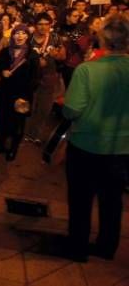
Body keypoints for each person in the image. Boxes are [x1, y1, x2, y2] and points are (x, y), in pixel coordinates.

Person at [62, 15, 129, 262]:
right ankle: (107, 246)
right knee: (112, 201)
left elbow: (71, 110)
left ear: (102, 39)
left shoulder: (87, 70)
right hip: (122, 148)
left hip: (86, 145)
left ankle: (78, 246)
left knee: (81, 200)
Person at [0, 24, 39, 161]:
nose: (19, 36)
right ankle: (0, 144)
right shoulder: (5, 51)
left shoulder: (32, 55)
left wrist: (25, 96)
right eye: (16, 33)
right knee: (2, 119)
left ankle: (13, 148)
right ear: (12, 35)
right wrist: (2, 71)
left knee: (18, 122)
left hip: (22, 94)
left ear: (27, 36)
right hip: (5, 92)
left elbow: (35, 77)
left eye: (23, 33)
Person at [24, 14, 65, 144]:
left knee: (44, 108)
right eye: (40, 24)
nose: (43, 27)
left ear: (50, 25)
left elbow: (63, 56)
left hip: (49, 78)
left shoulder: (55, 38)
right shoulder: (28, 39)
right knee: (30, 106)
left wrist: (56, 55)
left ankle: (37, 135)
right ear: (35, 25)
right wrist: (35, 61)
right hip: (31, 78)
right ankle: (26, 133)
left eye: (46, 24)